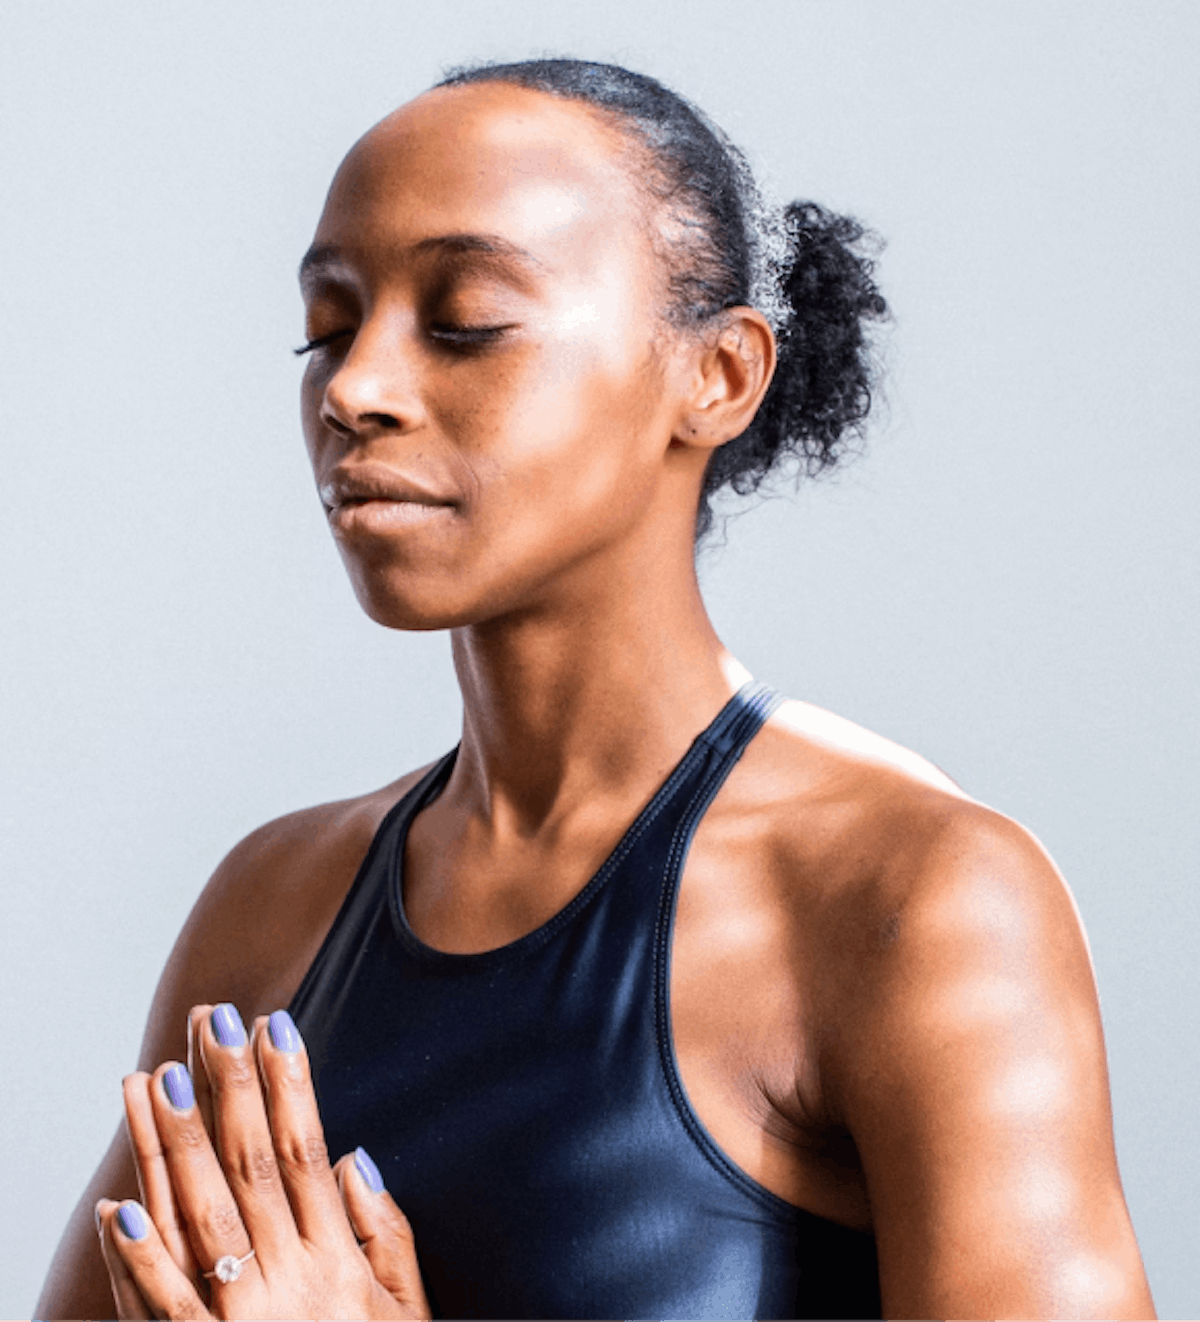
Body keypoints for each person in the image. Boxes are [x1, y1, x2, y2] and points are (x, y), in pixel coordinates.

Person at [37, 58, 1155, 1320]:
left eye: (463, 320)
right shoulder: (270, 906)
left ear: (718, 376)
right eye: (329, 326)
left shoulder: (913, 899)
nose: (355, 390)